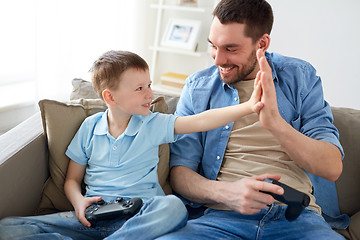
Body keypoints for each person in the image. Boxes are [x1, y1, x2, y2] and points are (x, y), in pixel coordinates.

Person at [0, 50, 264, 240]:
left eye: (148, 85)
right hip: (94, 218)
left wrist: (248, 107)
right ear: (109, 96)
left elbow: (200, 121)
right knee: (8, 227)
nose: (150, 93)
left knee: (173, 207)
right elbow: (72, 179)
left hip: (140, 217)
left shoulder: (153, 123)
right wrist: (79, 204)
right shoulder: (89, 128)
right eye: (139, 88)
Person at [156, 0, 346, 239]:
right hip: (220, 218)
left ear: (262, 43)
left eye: (231, 49)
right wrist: (226, 193)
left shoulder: (301, 78)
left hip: (296, 218)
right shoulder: (198, 87)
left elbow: (331, 168)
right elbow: (180, 172)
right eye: (213, 46)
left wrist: (275, 124)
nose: (217, 60)